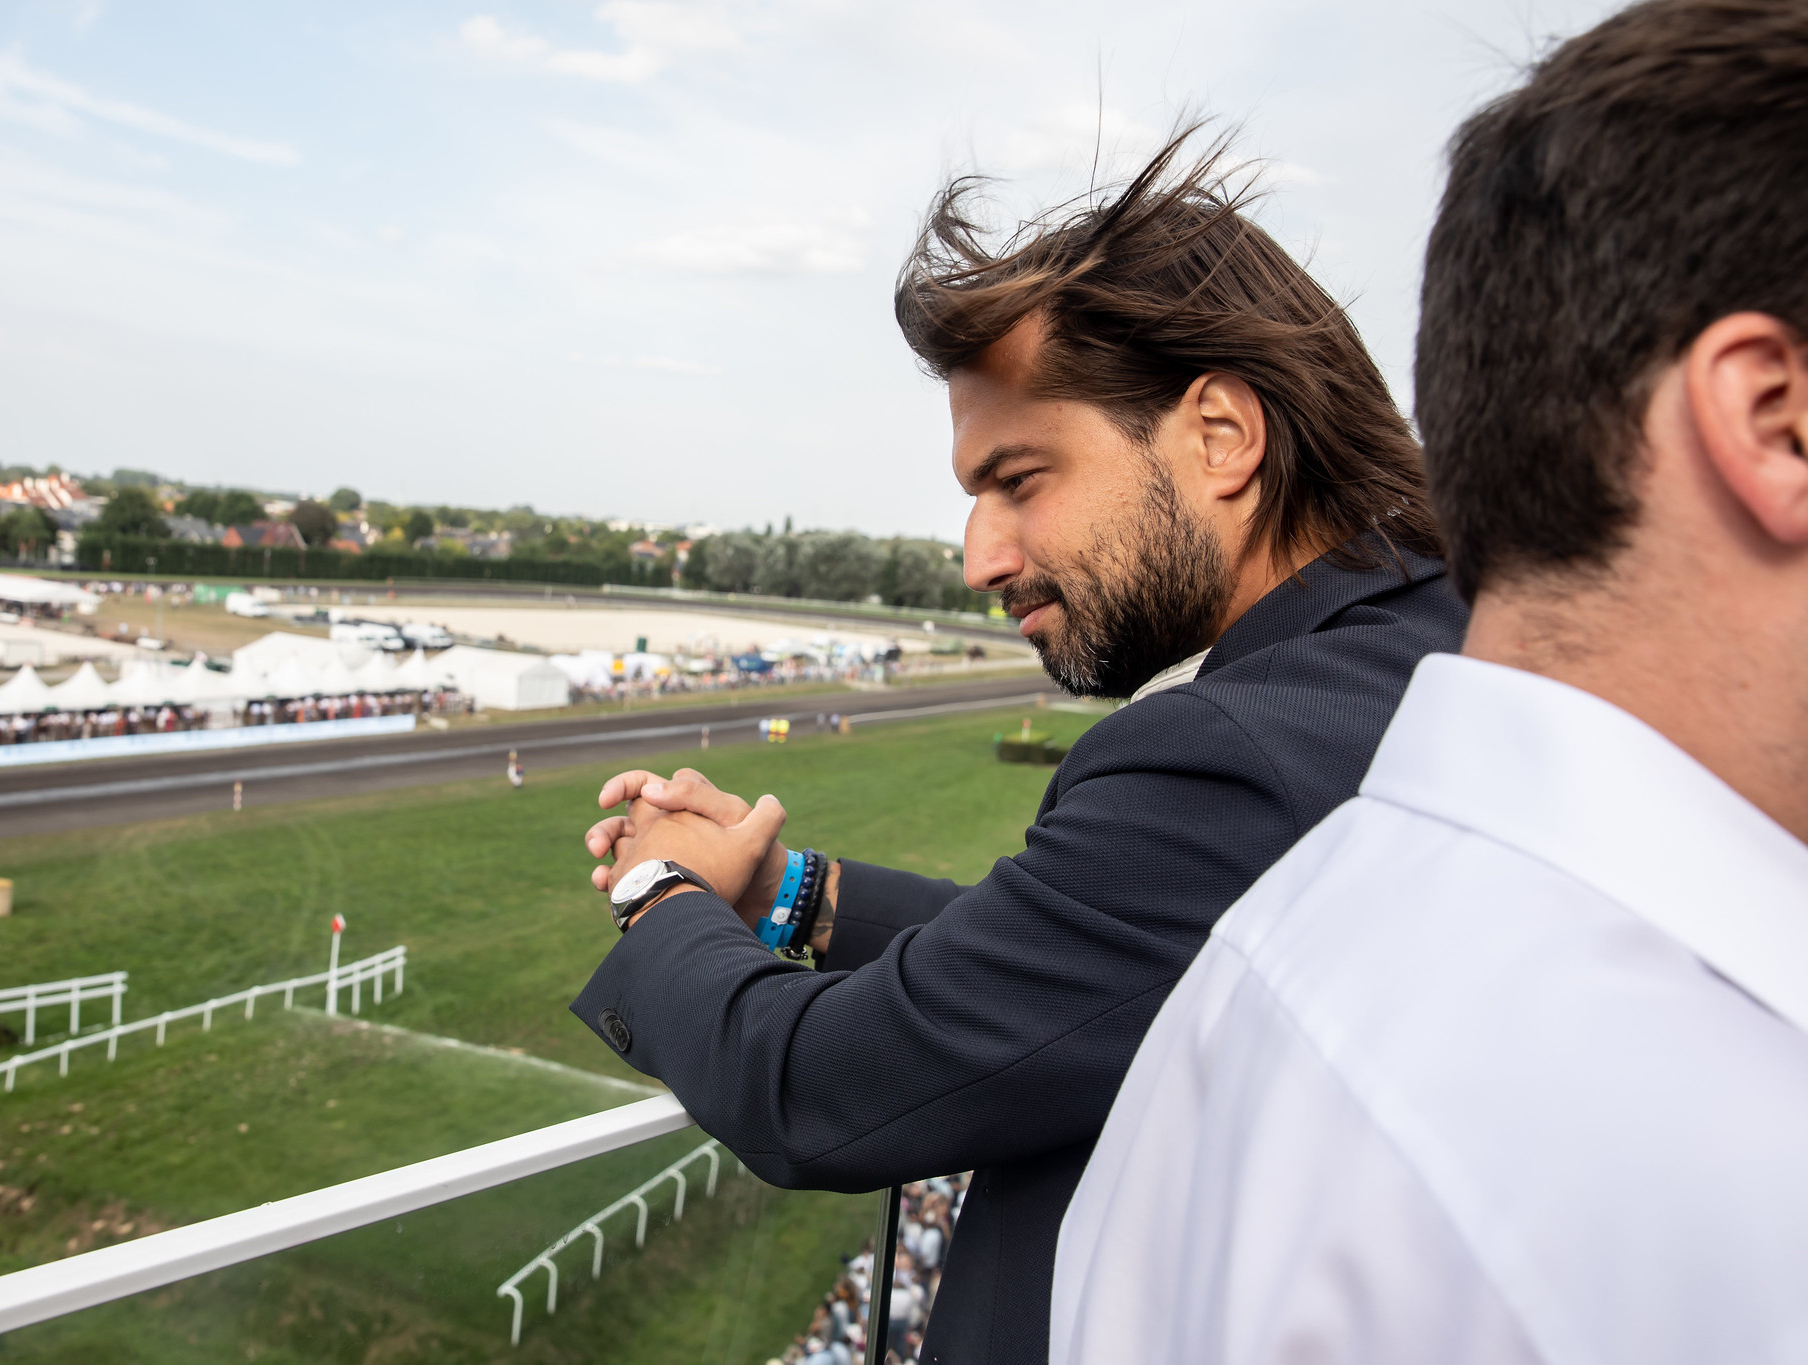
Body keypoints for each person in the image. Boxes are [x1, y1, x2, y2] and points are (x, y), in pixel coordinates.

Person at [571, 128, 1466, 1362]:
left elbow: (813, 1088)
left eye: (1020, 478)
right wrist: (796, 891)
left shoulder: (1228, 749)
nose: (979, 557)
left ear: (1219, 435)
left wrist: (657, 888)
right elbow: (1124, 952)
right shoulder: (1429, 644)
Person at [1050, 3, 1808, 1360]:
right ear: (1774, 419)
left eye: (1015, 482)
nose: (986, 551)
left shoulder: (1274, 950)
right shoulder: (1715, 1179)